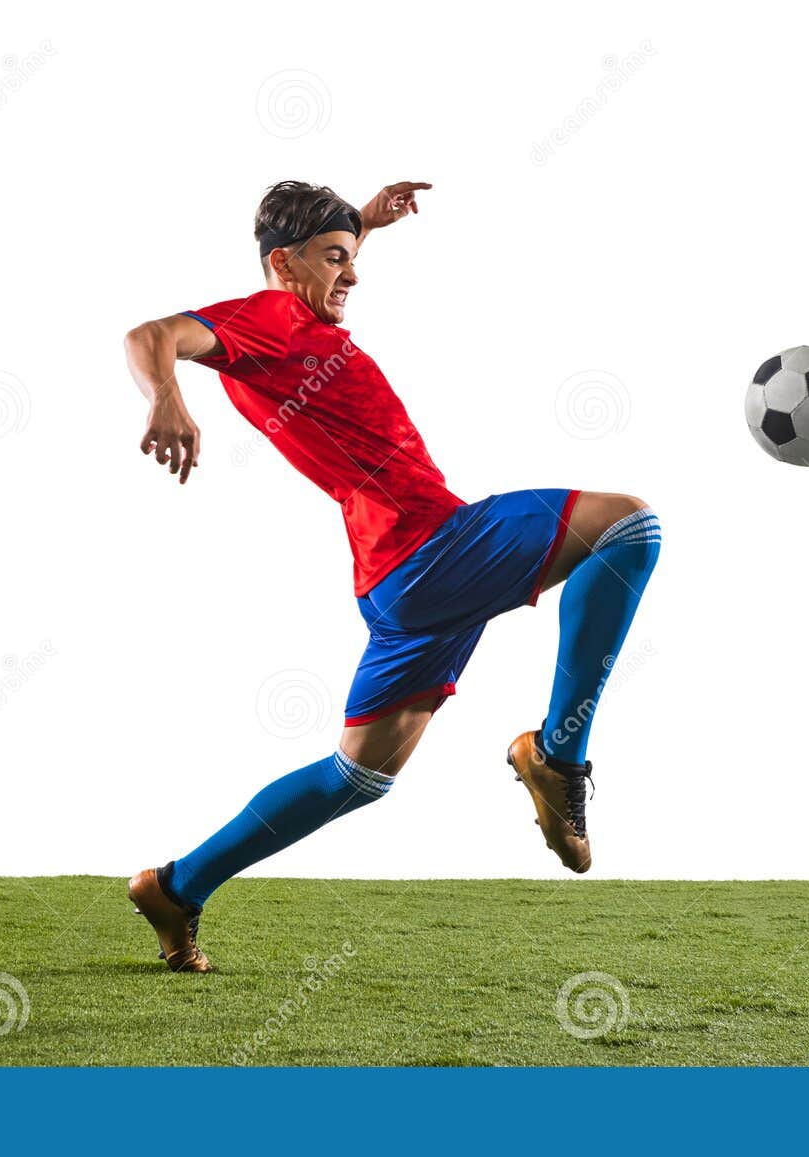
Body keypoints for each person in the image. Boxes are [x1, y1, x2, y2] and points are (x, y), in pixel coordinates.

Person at [121, 180, 660, 970]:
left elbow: (311, 279)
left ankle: (177, 887)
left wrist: (361, 227)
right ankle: (558, 755)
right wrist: (167, 396)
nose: (354, 274)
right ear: (283, 260)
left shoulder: (294, 316)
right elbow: (149, 333)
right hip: (434, 543)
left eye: (353, 258)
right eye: (336, 259)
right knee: (628, 525)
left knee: (357, 775)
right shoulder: (267, 317)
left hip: (399, 579)